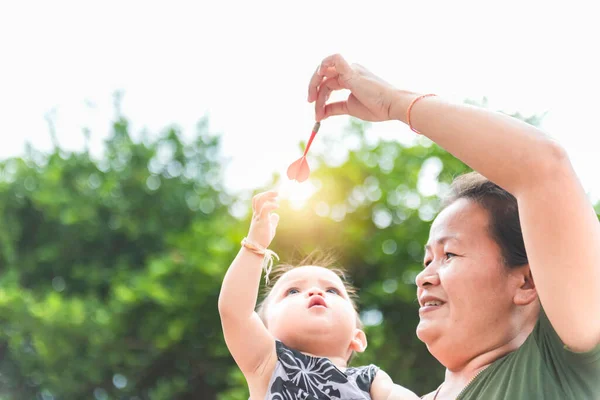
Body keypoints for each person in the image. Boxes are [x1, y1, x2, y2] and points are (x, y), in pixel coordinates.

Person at [306, 54, 600, 399]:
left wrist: (396, 103)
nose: (424, 277)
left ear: (526, 281)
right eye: (427, 260)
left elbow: (542, 165)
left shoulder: (560, 364)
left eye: (449, 254)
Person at [218, 191, 419, 400]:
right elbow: (234, 311)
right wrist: (255, 246)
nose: (316, 291)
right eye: (293, 291)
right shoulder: (268, 363)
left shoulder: (371, 379)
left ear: (357, 338)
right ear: (264, 331)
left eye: (332, 291)